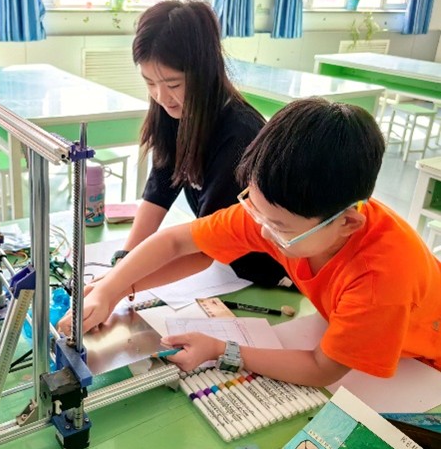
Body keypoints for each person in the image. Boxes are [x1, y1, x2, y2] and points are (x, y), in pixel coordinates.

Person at [59, 98, 441, 387]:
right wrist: (110, 289)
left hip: (423, 369)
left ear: (346, 223)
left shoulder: (381, 278)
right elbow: (177, 242)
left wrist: (224, 351)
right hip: (357, 331)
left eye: (278, 226)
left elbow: (321, 369)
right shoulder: (279, 212)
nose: (261, 229)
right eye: (254, 208)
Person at [110, 0, 290, 288]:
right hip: (225, 264)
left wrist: (119, 286)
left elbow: (204, 248)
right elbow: (159, 191)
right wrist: (124, 260)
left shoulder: (238, 135)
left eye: (173, 84)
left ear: (204, 72)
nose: (161, 97)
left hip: (265, 272)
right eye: (149, 83)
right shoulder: (176, 110)